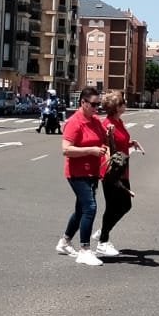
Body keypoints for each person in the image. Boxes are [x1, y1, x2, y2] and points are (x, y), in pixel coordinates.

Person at [58, 84, 109, 265]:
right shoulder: (75, 122)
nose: (97, 108)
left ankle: (64, 241)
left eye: (99, 105)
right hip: (77, 173)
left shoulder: (95, 121)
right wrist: (91, 150)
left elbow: (104, 139)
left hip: (92, 172)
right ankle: (85, 250)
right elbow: (66, 150)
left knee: (81, 210)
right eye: (94, 104)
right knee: (90, 208)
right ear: (83, 103)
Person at [97, 90, 145, 257]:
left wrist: (132, 143)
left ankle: (104, 231)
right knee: (113, 206)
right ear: (116, 107)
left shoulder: (119, 122)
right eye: (122, 103)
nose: (125, 105)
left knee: (125, 205)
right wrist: (109, 138)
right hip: (111, 172)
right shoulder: (107, 124)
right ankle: (103, 240)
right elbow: (106, 147)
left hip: (123, 170)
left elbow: (122, 141)